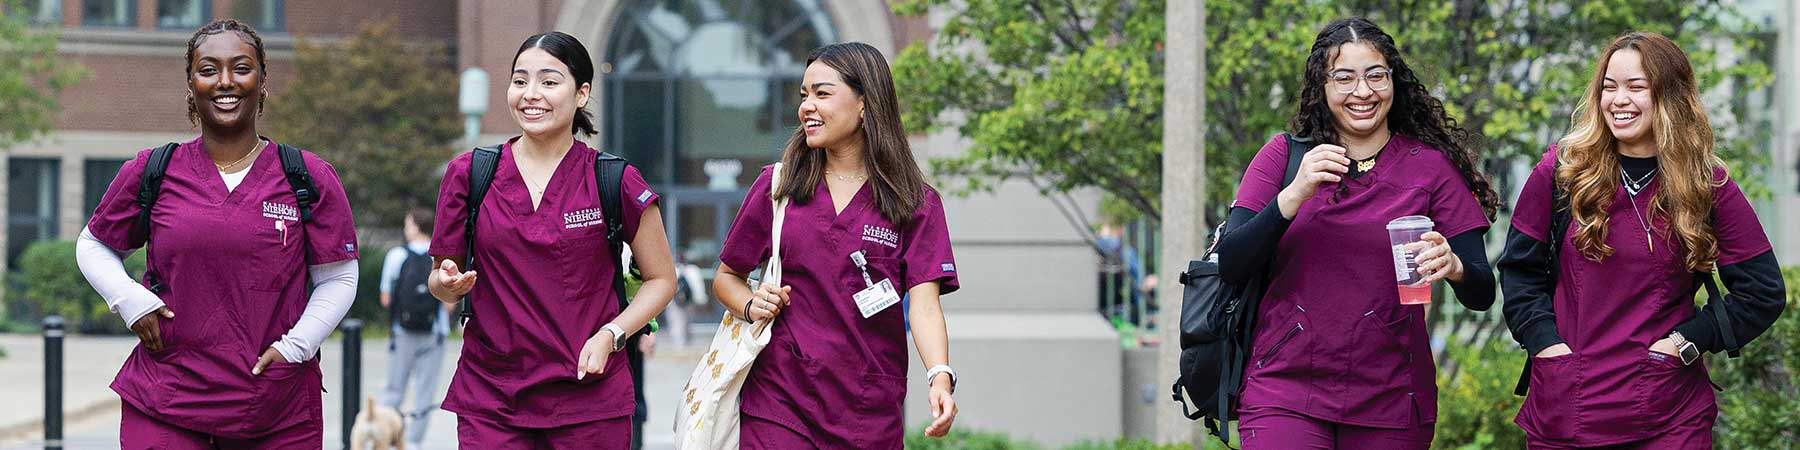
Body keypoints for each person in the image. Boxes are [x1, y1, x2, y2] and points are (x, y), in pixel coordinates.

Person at [1213, 17, 1500, 449]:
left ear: (1394, 83)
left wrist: (1455, 266)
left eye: (1375, 76)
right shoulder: (1284, 158)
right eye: (1344, 78)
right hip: (1285, 388)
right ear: (1322, 87)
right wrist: (1292, 197)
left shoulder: (1430, 168)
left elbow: (1481, 292)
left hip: (1391, 396)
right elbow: (1232, 262)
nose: (1362, 92)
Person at [75, 18, 360, 449]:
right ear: (191, 85)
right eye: (208, 70)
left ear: (263, 80)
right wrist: (130, 300)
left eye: (241, 68)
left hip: (274, 403)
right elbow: (94, 244)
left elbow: (338, 276)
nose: (225, 81)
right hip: (167, 397)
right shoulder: (153, 170)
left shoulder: (306, 176)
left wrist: (296, 347)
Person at [1498, 32, 1787, 450]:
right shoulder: (1561, 172)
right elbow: (1519, 271)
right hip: (1569, 405)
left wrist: (1685, 342)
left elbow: (1763, 292)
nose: (1619, 100)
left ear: (1669, 96)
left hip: (1668, 411)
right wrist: (1544, 343)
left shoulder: (1707, 185)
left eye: (1636, 87)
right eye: (1609, 87)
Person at [426, 31, 676, 449]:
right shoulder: (470, 174)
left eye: (548, 81)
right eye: (520, 80)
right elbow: (441, 280)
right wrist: (446, 283)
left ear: (581, 94)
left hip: (590, 397)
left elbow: (662, 279)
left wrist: (612, 334)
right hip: (493, 399)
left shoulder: (613, 179)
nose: (531, 94)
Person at [713, 42, 961, 449]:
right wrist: (749, 302)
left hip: (867, 408)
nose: (807, 106)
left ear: (865, 103)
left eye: (822, 93)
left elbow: (925, 304)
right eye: (804, 95)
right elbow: (727, 277)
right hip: (778, 400)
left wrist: (940, 374)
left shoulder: (914, 203)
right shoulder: (778, 187)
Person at [379, 207, 453, 449]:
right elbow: (449, 303)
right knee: (425, 389)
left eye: (407, 223)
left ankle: (388, 438)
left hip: (403, 332)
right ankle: (414, 442)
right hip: (434, 332)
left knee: (394, 388)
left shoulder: (396, 255)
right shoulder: (441, 256)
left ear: (414, 226)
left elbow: (386, 298)